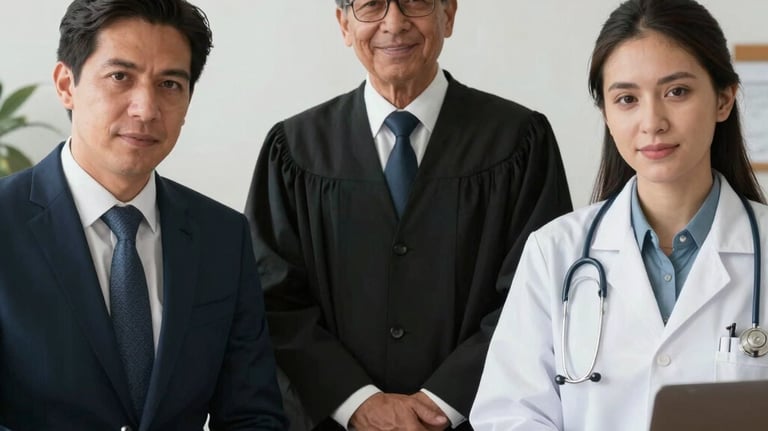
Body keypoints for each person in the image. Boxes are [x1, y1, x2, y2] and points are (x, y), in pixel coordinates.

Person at [245, 1, 573, 430]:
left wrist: (440, 404)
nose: (394, 23)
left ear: (448, 14)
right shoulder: (295, 149)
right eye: (371, 5)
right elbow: (273, 300)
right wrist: (358, 403)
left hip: (483, 420)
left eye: (415, 1)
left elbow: (539, 295)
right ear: (344, 24)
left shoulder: (518, 142)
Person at [470, 0, 768, 430]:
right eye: (627, 99)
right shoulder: (554, 253)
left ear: (724, 99)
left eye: (677, 92)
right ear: (607, 115)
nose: (652, 121)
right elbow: (509, 416)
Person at [0, 0, 287, 429]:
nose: (146, 109)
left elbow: (252, 414)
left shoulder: (223, 236)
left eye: (169, 84)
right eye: (120, 77)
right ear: (66, 84)